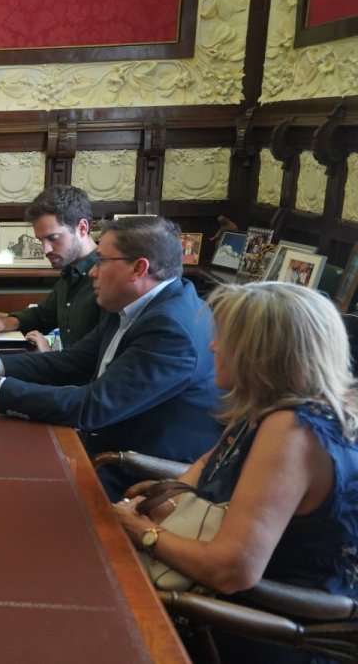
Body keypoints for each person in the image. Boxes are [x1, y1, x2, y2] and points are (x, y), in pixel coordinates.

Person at [114, 282, 358, 663]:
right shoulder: (265, 407)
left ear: (261, 354)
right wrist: (165, 504)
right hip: (223, 601)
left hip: (261, 629)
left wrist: (142, 531)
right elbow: (201, 472)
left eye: (225, 339)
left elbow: (231, 570)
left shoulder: (292, 431)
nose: (213, 347)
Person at [0, 216, 221, 499]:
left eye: (102, 261)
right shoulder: (132, 304)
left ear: (138, 268)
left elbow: (93, 407)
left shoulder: (171, 329)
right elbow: (72, 362)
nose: (92, 273)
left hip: (139, 474)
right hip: (104, 445)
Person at [0, 185, 103, 351]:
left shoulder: (108, 276)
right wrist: (5, 323)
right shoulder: (71, 271)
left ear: (82, 228)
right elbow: (43, 315)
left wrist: (48, 355)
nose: (45, 250)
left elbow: (96, 357)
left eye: (53, 238)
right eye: (40, 241)